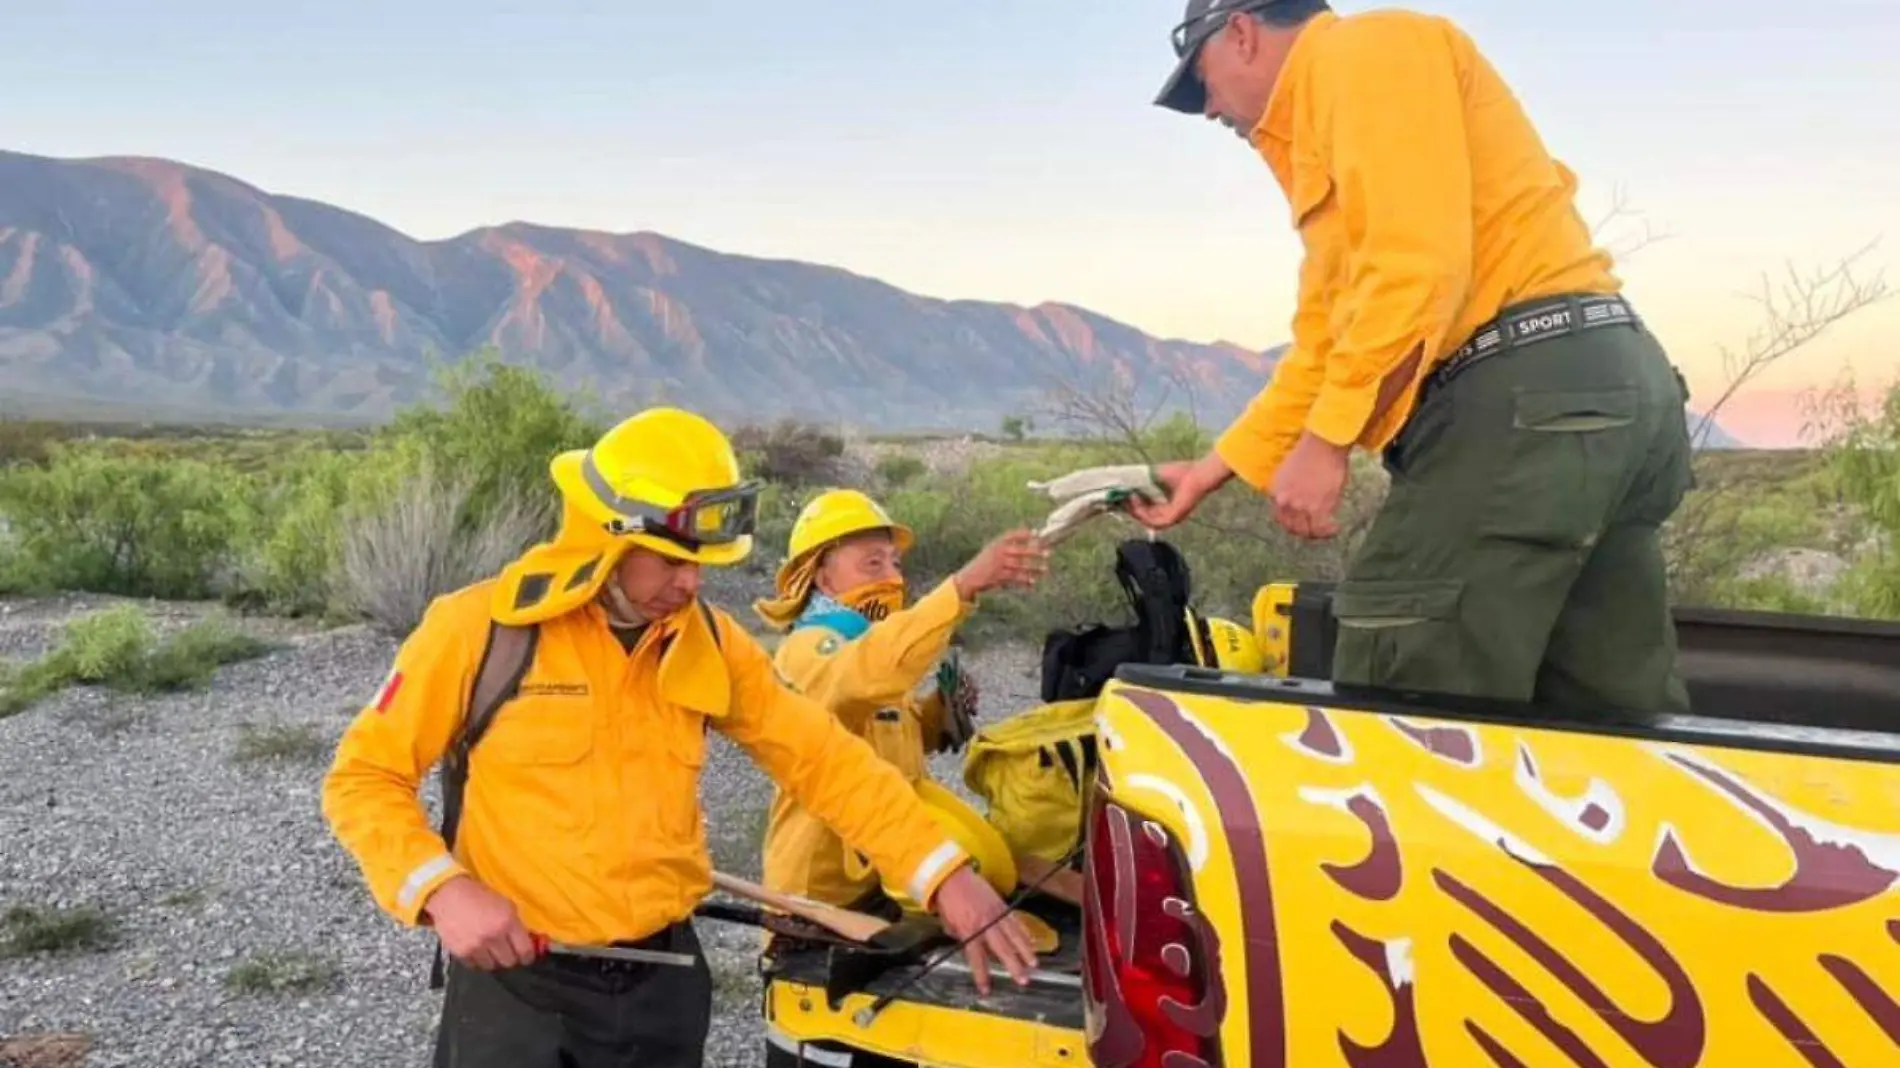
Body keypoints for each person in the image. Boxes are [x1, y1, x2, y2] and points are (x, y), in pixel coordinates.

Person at [320, 408, 1038, 1068]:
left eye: (701, 563)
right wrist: (441, 890)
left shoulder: (711, 646)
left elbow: (822, 759)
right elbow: (363, 778)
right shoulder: (479, 630)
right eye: (671, 561)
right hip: (516, 989)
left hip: (660, 988)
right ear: (608, 538)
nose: (692, 585)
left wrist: (941, 873)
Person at [1132, 0, 1695, 717]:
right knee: (1604, 707)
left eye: (1199, 80)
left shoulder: (1363, 55)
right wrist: (1214, 471)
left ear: (1240, 31)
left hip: (1526, 396)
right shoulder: (1334, 132)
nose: (1207, 108)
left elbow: (1418, 269)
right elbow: (1328, 340)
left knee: (1401, 681)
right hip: (1597, 392)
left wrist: (1327, 442)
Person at [749, 489, 1048, 1068]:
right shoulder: (812, 649)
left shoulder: (866, 645)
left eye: (894, 563)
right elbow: (861, 680)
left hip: (888, 883)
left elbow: (896, 739)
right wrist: (961, 589)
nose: (890, 576)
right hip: (820, 907)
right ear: (819, 573)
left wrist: (939, 714)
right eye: (871, 563)